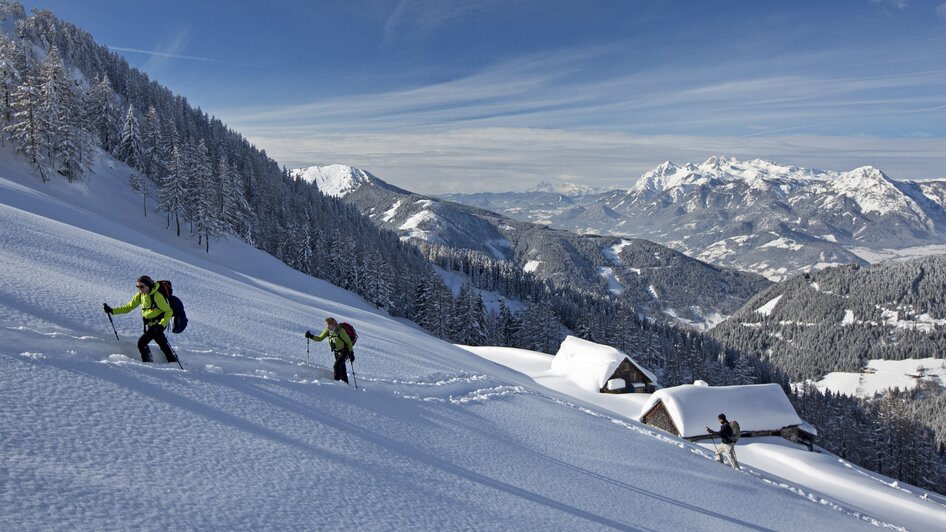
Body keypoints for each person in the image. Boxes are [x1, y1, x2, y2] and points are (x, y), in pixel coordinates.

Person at [103, 275, 178, 364]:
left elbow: (168, 311)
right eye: (137, 286)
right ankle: (173, 361)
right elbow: (128, 307)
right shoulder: (140, 296)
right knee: (162, 343)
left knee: (141, 343)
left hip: (158, 324)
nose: (139, 289)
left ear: (148, 285)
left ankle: (148, 363)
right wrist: (112, 311)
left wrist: (161, 324)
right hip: (151, 324)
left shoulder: (156, 296)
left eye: (141, 286)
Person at [305, 317, 353, 383]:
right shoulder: (328, 331)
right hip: (336, 352)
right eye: (327, 324)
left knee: (336, 366)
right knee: (342, 367)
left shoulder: (341, 331)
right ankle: (346, 383)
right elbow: (320, 338)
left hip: (344, 350)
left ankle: (337, 382)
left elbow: (349, 342)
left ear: (334, 324)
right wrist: (311, 336)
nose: (327, 326)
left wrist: (351, 353)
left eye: (329, 324)